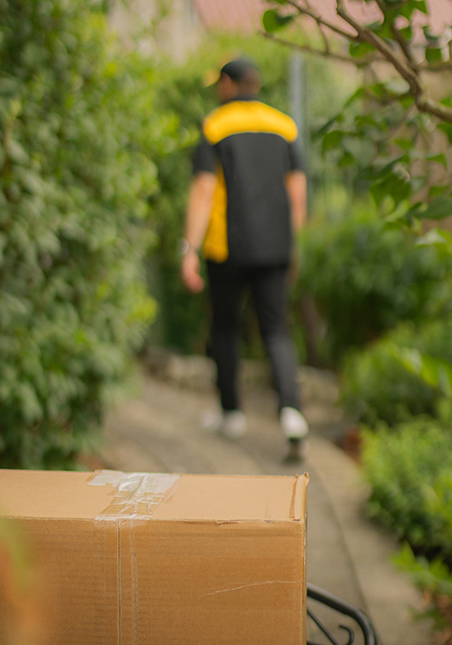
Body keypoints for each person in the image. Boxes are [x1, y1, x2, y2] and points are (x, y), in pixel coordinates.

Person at [179, 57, 309, 462]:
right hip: (274, 248)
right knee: (276, 330)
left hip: (226, 249)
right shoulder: (284, 126)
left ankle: (231, 413)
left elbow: (202, 191)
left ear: (229, 84)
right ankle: (291, 413)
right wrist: (294, 245)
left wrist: (189, 249)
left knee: (225, 327)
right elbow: (298, 193)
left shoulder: (214, 125)